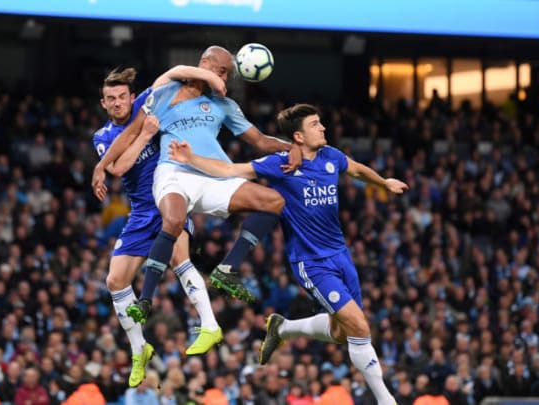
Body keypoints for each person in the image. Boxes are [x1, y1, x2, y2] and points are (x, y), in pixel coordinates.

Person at [167, 103, 408, 405]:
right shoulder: (280, 165)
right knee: (359, 326)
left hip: (341, 255)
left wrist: (383, 183)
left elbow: (357, 169)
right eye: (315, 124)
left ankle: (284, 328)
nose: (323, 128)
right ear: (298, 136)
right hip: (311, 263)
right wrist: (190, 159)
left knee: (343, 332)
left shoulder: (331, 156)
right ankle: (386, 400)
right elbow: (230, 170)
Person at [91, 45, 300, 322]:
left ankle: (226, 272)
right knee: (154, 250)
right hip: (173, 176)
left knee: (273, 201)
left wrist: (293, 147)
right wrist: (101, 165)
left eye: (227, 75)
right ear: (205, 63)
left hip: (212, 175)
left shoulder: (225, 105)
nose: (223, 79)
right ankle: (146, 309)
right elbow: (130, 135)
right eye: (221, 72)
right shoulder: (164, 95)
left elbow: (260, 141)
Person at [92, 67, 225, 387]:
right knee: (114, 280)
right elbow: (119, 167)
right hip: (140, 212)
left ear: (132, 97)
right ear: (103, 103)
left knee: (181, 260)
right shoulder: (102, 137)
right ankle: (140, 349)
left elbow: (175, 72)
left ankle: (210, 324)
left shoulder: (148, 103)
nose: (118, 103)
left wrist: (211, 77)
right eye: (111, 99)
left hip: (169, 196)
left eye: (122, 96)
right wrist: (147, 135)